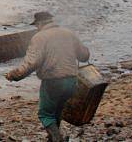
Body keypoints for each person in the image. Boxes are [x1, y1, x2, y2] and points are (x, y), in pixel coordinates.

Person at [5, 11, 90, 142]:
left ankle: (57, 139)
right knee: (57, 111)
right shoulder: (68, 33)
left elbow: (32, 63)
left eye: (36, 25)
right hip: (72, 81)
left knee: (45, 114)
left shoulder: (40, 37)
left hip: (53, 82)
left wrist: (14, 75)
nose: (36, 28)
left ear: (39, 23)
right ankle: (53, 138)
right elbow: (84, 56)